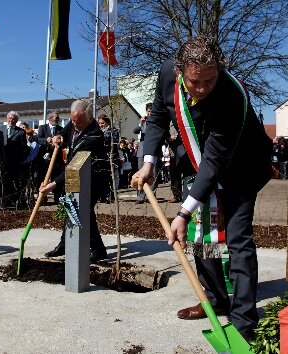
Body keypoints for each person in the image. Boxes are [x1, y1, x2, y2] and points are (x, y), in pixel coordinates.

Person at [133, 36, 272, 340]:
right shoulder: (167, 73)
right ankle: (215, 298)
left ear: (218, 69)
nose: (202, 89)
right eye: (196, 82)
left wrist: (182, 213)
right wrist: (148, 162)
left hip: (241, 166)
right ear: (181, 70)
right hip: (195, 162)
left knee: (237, 240)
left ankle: (243, 322)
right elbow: (157, 117)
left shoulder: (232, 95)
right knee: (202, 235)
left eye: (209, 81)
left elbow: (215, 158)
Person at [40, 99, 108, 263]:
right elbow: (65, 132)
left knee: (84, 212)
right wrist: (58, 137)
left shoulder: (95, 136)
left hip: (92, 179)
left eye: (78, 121)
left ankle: (98, 249)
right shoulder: (74, 123)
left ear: (89, 118)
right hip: (73, 175)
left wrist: (53, 184)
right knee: (70, 207)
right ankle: (65, 243)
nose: (74, 124)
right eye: (72, 120)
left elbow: (76, 166)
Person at [0, 111, 28, 208]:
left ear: (16, 120)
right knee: (4, 182)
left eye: (14, 119)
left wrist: (21, 160)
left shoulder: (21, 132)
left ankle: (17, 202)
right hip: (3, 161)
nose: (11, 120)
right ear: (7, 118)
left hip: (15, 162)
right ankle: (5, 202)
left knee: (16, 182)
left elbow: (24, 148)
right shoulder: (0, 129)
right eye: (10, 118)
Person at [37, 111, 64, 204]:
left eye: (58, 118)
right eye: (56, 118)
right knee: (43, 177)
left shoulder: (61, 129)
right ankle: (43, 199)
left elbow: (64, 142)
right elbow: (38, 139)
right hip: (44, 158)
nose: (57, 119)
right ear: (50, 118)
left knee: (56, 177)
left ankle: (58, 198)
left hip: (57, 158)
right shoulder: (42, 128)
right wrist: (46, 140)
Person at [97, 114, 120, 202]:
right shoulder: (99, 131)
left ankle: (110, 196)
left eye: (102, 123)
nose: (100, 125)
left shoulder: (113, 130)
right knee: (102, 176)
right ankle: (102, 196)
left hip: (111, 157)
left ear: (107, 122)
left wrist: (102, 135)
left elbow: (113, 142)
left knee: (110, 177)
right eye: (99, 123)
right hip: (101, 157)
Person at [133, 103, 152, 203]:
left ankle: (151, 195)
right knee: (140, 174)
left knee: (151, 174)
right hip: (142, 150)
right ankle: (140, 196)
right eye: (148, 111)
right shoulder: (143, 122)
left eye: (151, 111)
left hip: (152, 150)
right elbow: (135, 131)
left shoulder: (156, 121)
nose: (150, 113)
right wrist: (140, 123)